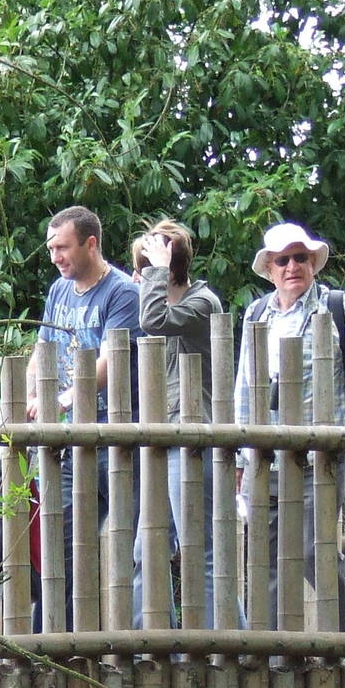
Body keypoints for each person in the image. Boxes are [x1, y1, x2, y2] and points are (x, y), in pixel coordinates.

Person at [233, 221, 345, 626]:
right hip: (267, 458)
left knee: (315, 549)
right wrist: (240, 461)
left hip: (322, 456)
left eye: (301, 257)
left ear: (313, 262)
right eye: (283, 260)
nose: (292, 266)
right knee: (266, 558)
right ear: (269, 268)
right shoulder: (255, 313)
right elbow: (245, 388)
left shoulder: (336, 306)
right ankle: (273, 651)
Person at [26, 205, 139, 625]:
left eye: (63, 247)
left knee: (137, 547)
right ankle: (53, 639)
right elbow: (44, 348)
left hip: (115, 438)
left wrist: (64, 399)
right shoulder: (58, 290)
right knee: (62, 545)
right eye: (52, 248)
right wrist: (28, 394)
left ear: (91, 244)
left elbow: (111, 360)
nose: (56, 256)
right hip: (69, 443)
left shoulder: (122, 292)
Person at [131, 220, 222, 626]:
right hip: (162, 439)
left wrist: (156, 273)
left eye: (146, 267)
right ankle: (153, 645)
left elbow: (152, 320)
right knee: (146, 550)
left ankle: (224, 648)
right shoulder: (168, 306)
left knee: (199, 551)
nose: (138, 278)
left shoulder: (202, 304)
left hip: (192, 440)